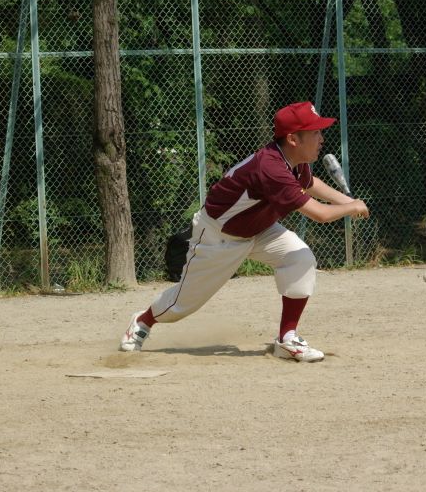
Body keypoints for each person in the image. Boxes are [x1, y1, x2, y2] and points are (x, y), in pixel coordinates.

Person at [119, 102, 370, 362]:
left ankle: (287, 338)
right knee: (182, 304)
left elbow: (310, 184)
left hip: (260, 229)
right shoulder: (271, 168)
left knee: (300, 258)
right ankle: (142, 320)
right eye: (315, 132)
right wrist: (351, 207)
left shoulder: (295, 160)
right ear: (293, 139)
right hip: (219, 236)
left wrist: (347, 201)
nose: (321, 138)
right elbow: (319, 214)